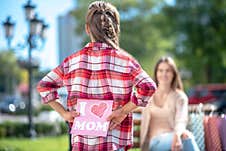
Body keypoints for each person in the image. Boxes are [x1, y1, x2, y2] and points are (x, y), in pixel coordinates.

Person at [37, 1, 156, 151]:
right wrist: (123, 111)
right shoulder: (126, 62)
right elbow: (148, 87)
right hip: (114, 143)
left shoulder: (71, 62)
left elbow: (44, 85)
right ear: (116, 29)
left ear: (87, 29)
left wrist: (64, 114)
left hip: (81, 144)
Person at [140, 56, 200, 151]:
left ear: (173, 74)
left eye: (168, 71)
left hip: (176, 139)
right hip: (154, 143)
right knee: (185, 136)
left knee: (185, 136)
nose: (164, 74)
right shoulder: (148, 95)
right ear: (156, 73)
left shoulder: (180, 96)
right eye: (160, 70)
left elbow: (181, 119)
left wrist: (177, 134)